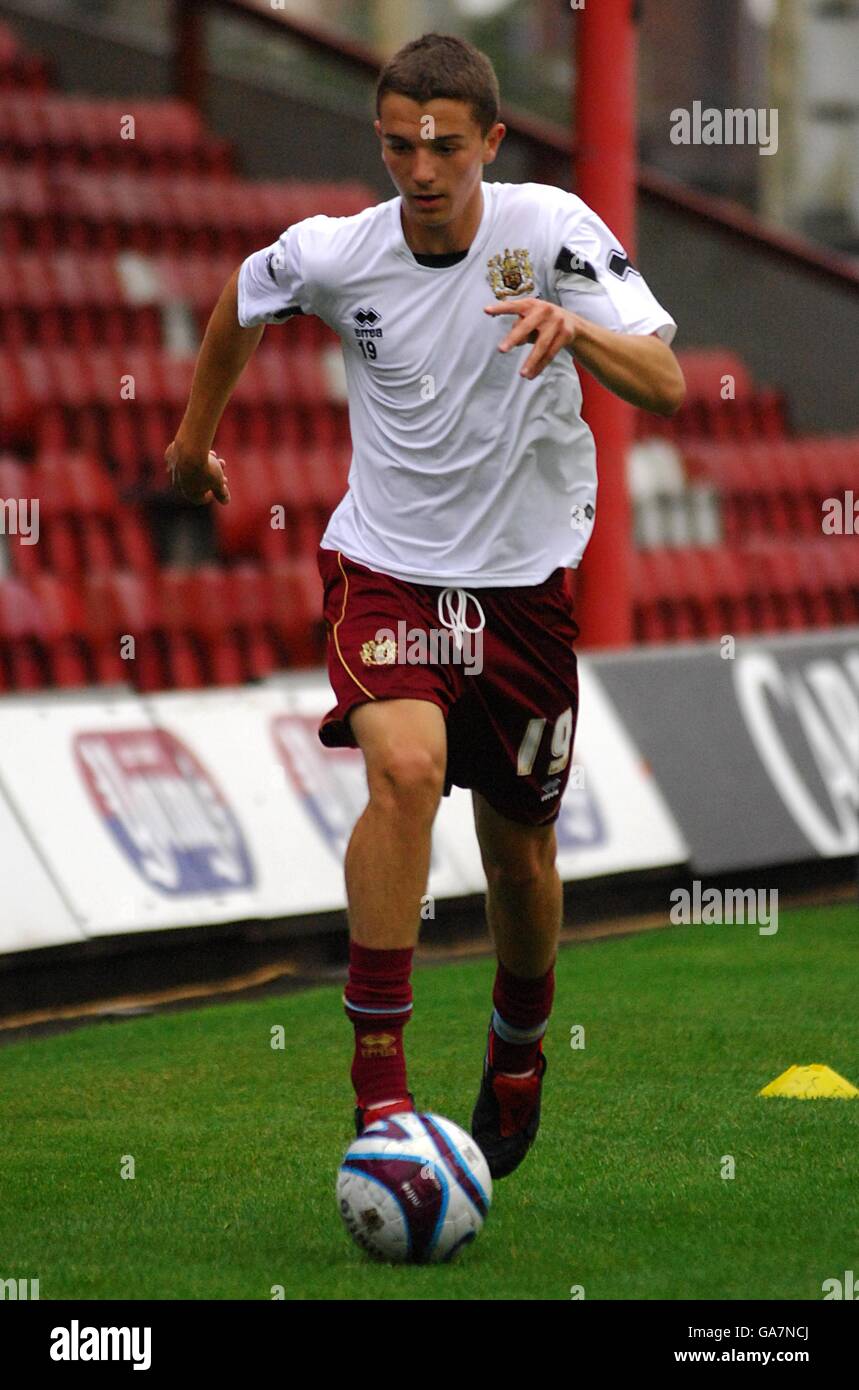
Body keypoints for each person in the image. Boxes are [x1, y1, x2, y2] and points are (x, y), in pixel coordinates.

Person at [165, 32, 684, 1179]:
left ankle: (516, 1050)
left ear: (489, 143)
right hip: (387, 566)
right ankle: (379, 1096)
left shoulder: (548, 231)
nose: (421, 168)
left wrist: (579, 331)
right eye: (399, 144)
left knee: (519, 859)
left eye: (444, 146)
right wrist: (194, 442)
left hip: (525, 588)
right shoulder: (338, 252)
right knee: (401, 773)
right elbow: (244, 300)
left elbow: (667, 379)